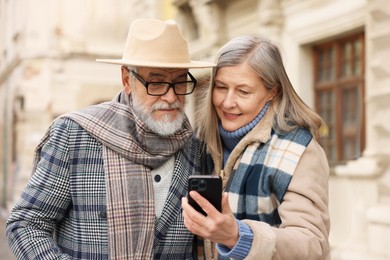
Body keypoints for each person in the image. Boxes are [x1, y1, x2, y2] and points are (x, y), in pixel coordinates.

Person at [6, 18, 214, 259]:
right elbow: (26, 224)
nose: (170, 96)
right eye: (156, 83)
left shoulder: (196, 148)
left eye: (179, 82)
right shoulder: (74, 135)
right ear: (127, 80)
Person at [182, 35, 330, 259]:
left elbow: (313, 245)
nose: (228, 102)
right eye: (221, 87)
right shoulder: (200, 143)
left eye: (243, 91)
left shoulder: (298, 150)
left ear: (273, 92)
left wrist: (238, 236)